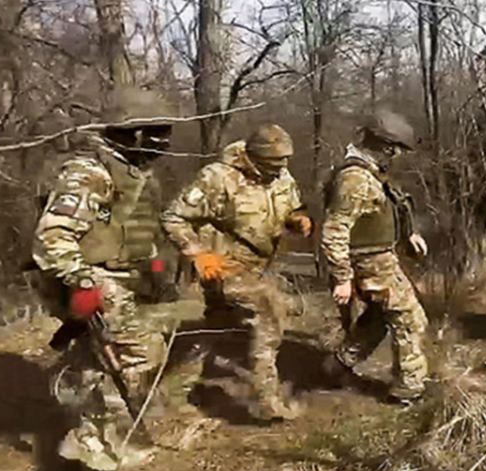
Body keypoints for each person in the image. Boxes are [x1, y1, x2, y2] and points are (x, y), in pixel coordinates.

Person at [31, 87, 176, 471]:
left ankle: (88, 442)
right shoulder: (89, 172)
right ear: (133, 133)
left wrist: (157, 271)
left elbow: (137, 233)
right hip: (92, 278)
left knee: (103, 362)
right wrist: (82, 284)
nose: (165, 142)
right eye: (157, 132)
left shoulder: (135, 174)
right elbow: (53, 236)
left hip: (123, 276)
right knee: (137, 357)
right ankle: (103, 454)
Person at [161, 124, 313, 421]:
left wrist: (298, 220)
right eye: (272, 163)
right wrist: (197, 253)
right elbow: (173, 217)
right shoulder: (218, 178)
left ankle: (182, 387)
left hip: (258, 263)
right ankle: (267, 404)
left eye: (283, 162)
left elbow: (291, 206)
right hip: (223, 263)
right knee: (269, 316)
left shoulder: (282, 176)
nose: (279, 168)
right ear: (252, 157)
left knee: (221, 325)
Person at [320, 109, 431, 405]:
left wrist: (408, 235)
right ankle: (409, 388)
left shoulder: (370, 174)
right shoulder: (354, 178)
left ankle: (337, 365)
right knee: (409, 319)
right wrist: (342, 279)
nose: (395, 156)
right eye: (394, 150)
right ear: (384, 145)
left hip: (378, 258)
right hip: (369, 263)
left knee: (379, 318)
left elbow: (385, 210)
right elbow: (335, 230)